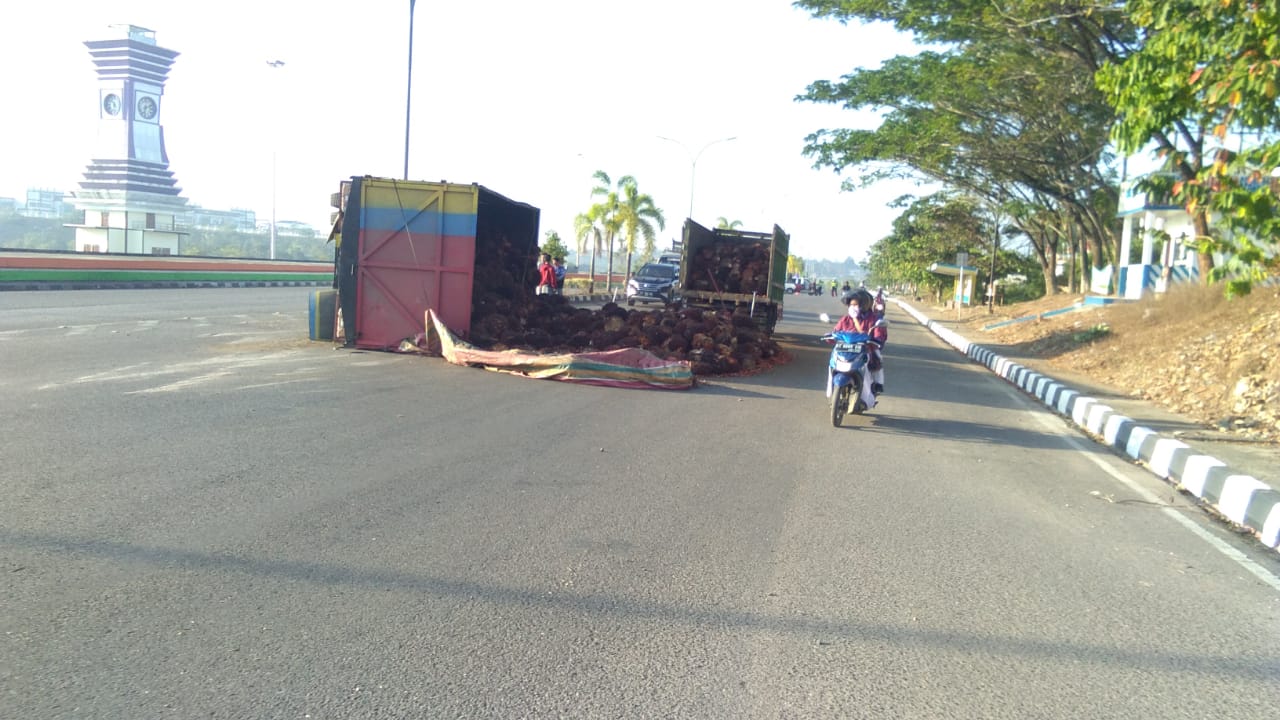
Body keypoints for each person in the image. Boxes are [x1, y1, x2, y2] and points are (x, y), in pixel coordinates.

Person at [832, 288, 887, 398]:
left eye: (855, 304)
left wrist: (876, 339)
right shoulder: (845, 319)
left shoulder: (874, 319)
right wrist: (830, 336)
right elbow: (836, 331)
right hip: (846, 349)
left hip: (866, 348)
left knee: (877, 357)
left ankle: (878, 384)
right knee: (833, 359)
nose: (852, 307)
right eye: (851, 305)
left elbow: (879, 335)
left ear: (864, 305)